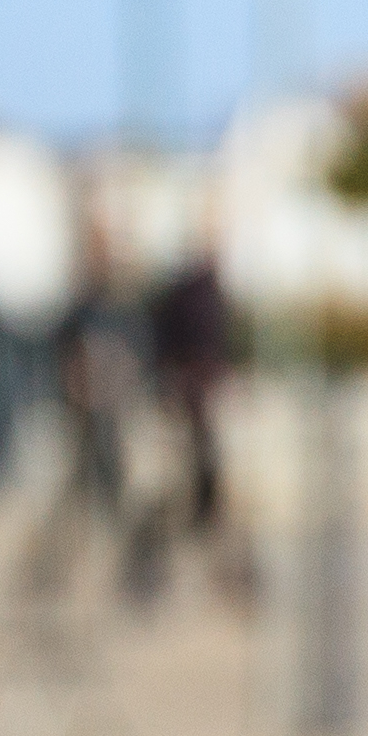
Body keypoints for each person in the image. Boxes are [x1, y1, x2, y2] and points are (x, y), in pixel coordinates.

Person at [17, 225, 150, 609]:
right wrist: (77, 384)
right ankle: (49, 569)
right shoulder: (80, 310)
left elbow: (135, 358)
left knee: (111, 495)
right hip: (85, 419)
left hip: (109, 416)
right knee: (79, 498)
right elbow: (59, 357)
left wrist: (119, 382)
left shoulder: (119, 308)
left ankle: (130, 574)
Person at [129, 244, 257, 607]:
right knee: (182, 494)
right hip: (189, 413)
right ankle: (155, 574)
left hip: (202, 414)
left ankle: (225, 577)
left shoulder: (210, 298)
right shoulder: (187, 298)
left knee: (210, 495)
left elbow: (221, 349)